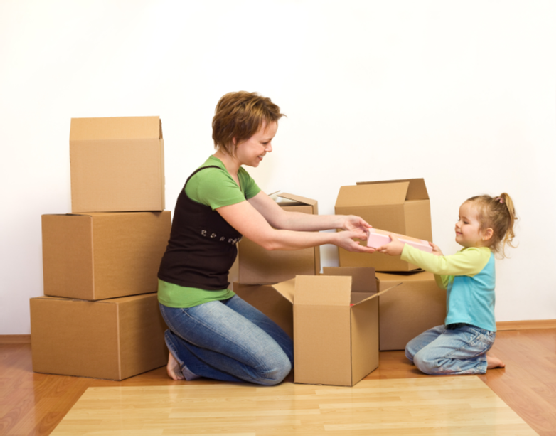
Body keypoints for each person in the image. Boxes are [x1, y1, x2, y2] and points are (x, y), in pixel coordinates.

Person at [157, 91, 375, 385]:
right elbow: (269, 238)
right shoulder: (212, 179)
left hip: (218, 294)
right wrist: (334, 239)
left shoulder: (239, 176)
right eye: (264, 142)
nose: (269, 149)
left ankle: (195, 345)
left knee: (291, 356)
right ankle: (186, 351)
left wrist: (339, 221)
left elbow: (282, 218)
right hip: (187, 301)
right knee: (272, 370)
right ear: (236, 137)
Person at [377, 193, 517, 375]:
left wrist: (403, 250)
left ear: (486, 233)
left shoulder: (478, 256)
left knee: (424, 361)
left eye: (465, 222)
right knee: (411, 350)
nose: (457, 224)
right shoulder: (465, 255)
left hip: (475, 333)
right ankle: (468, 354)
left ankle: (479, 363)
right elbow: (444, 281)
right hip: (456, 328)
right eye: (459, 219)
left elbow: (441, 266)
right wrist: (439, 260)